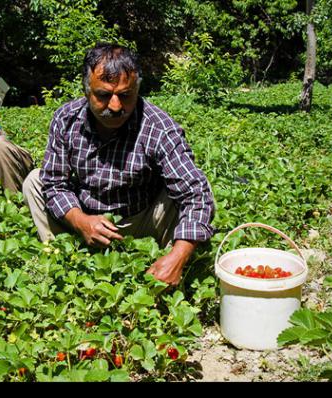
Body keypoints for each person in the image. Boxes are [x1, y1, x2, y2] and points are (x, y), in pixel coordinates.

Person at [23, 43, 215, 286]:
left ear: (137, 89)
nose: (115, 106)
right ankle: (66, 261)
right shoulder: (66, 119)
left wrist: (179, 256)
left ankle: (162, 266)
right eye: (103, 95)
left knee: (194, 188)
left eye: (125, 95)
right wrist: (81, 221)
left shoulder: (159, 128)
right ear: (86, 91)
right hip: (86, 216)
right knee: (34, 181)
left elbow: (196, 194)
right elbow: (54, 183)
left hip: (142, 220)